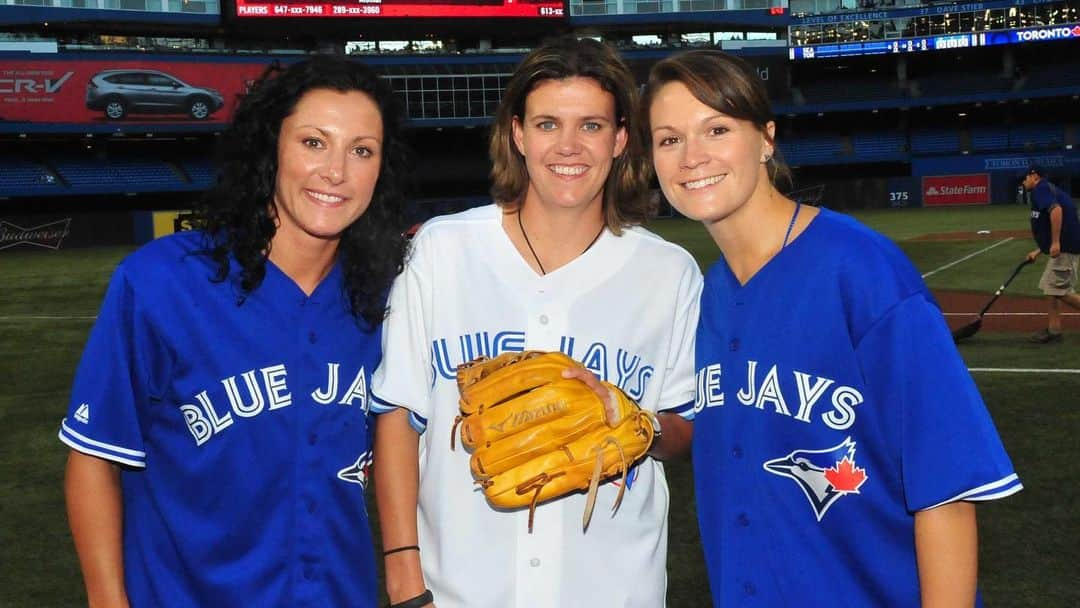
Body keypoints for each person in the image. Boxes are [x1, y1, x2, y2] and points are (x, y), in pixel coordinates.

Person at [643, 50, 1022, 607]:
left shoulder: (863, 272)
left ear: (766, 138)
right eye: (669, 139)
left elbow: (948, 491)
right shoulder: (714, 296)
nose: (692, 157)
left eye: (717, 129)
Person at [59, 55, 409, 607]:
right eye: (314, 142)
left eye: (361, 150)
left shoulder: (391, 300)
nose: (336, 171)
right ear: (270, 149)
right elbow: (94, 458)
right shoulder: (160, 282)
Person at [371, 36, 701, 608]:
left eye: (591, 126)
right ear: (518, 134)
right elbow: (399, 414)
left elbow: (685, 426)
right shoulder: (442, 251)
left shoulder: (668, 272)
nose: (568, 146)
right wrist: (404, 579)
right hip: (461, 591)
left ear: (621, 138)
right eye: (548, 124)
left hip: (611, 588)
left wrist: (635, 424)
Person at [1022, 164, 1080, 343]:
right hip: (1066, 246)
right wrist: (1040, 250)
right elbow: (1054, 224)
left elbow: (1056, 211)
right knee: (1051, 288)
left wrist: (1055, 243)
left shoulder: (1041, 190)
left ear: (1035, 176)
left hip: (1066, 248)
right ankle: (1054, 331)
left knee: (1060, 291)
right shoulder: (1046, 189)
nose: (1023, 182)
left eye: (1025, 178)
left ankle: (1054, 331)